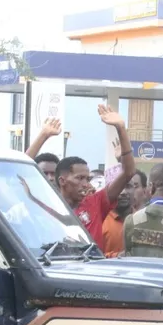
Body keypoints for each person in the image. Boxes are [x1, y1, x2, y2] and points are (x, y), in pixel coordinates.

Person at [53, 106, 135, 252]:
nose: (86, 184)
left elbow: (128, 172)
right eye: (80, 178)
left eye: (87, 178)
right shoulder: (48, 208)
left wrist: (121, 128)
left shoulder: (96, 203)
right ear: (62, 181)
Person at [100, 170, 148, 257]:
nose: (123, 192)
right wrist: (118, 256)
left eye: (128, 186)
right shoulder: (99, 221)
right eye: (118, 187)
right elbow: (90, 257)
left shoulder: (144, 221)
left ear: (134, 189)